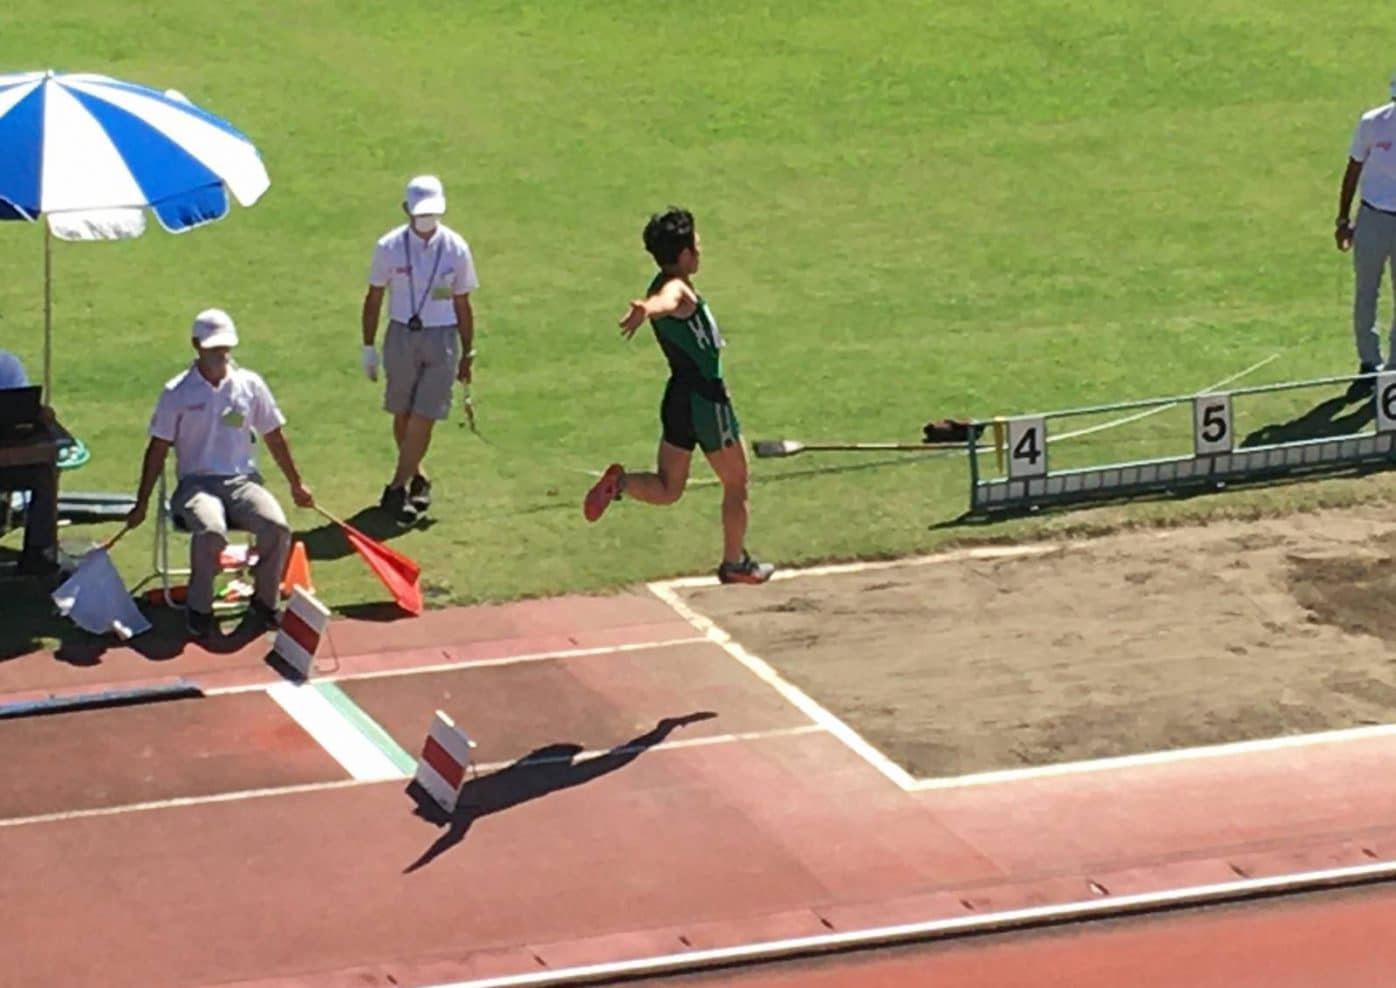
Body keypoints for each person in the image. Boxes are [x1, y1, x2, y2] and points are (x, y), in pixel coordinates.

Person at [583, 206, 774, 585]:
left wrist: (646, 307)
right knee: (736, 482)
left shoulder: (660, 281)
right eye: (696, 242)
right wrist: (649, 310)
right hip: (705, 400)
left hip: (679, 398)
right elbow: (668, 301)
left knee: (669, 488)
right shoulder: (676, 288)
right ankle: (735, 563)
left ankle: (620, 484)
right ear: (684, 254)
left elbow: (662, 301)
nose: (701, 246)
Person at [124, 309, 314, 638]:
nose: (221, 354)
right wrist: (141, 503)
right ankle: (199, 609)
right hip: (195, 486)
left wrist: (296, 484)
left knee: (277, 527)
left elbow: (274, 436)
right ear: (196, 345)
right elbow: (156, 449)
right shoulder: (176, 393)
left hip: (242, 482)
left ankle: (265, 603)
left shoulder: (250, 385)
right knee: (211, 531)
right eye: (213, 347)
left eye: (225, 347)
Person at [360, 175, 478, 523]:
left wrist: (468, 351)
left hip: (442, 337)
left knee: (424, 415)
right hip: (401, 334)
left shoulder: (456, 248)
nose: (426, 221)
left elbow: (463, 302)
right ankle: (418, 478)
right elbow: (374, 297)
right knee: (403, 414)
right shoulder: (389, 247)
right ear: (406, 210)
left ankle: (396, 487)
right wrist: (368, 345)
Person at [1336, 73, 1396, 398]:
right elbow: (1353, 168)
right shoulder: (1373, 123)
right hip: (1372, 217)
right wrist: (1343, 218)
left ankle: (1394, 371)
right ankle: (1369, 362)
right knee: (1366, 292)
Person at [0, 347, 59, 576]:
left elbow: (24, 407)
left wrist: (40, 414)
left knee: (43, 474)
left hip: (8, 459)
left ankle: (37, 551)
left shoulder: (6, 363)